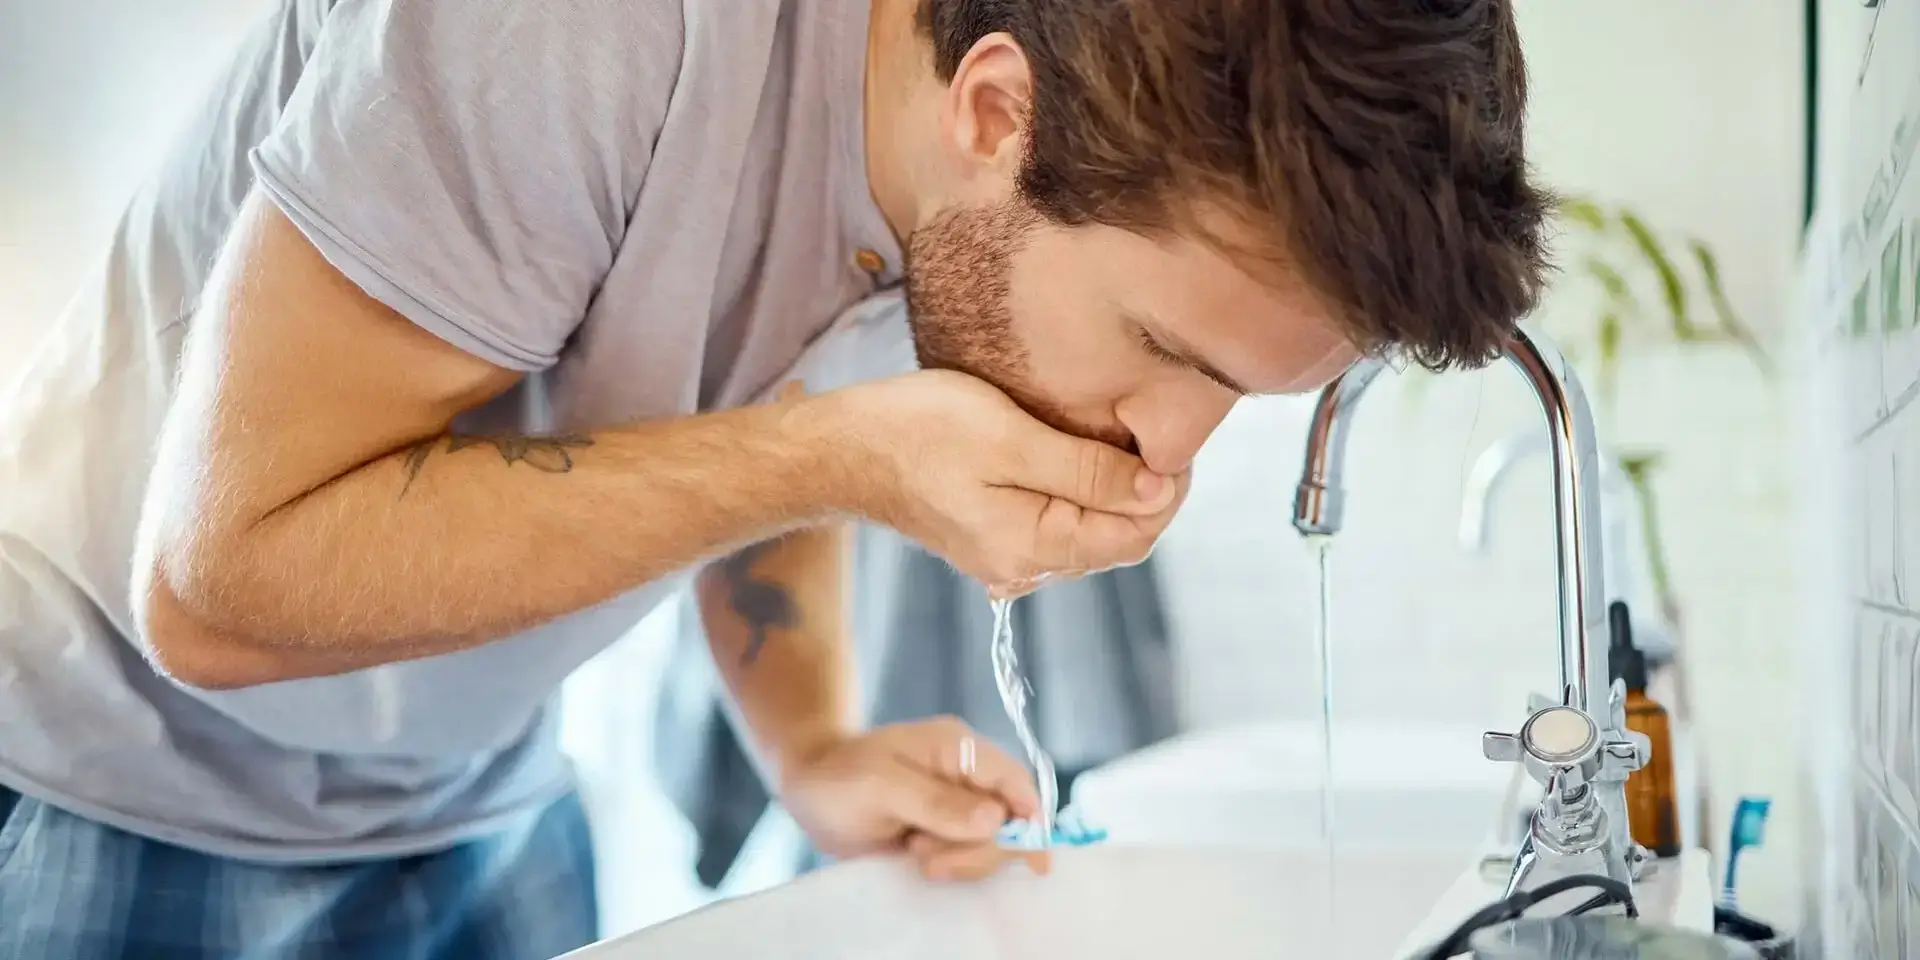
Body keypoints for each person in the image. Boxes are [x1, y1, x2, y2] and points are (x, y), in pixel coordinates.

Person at [0, 0, 1551, 956]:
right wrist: (842, 458)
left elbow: (758, 376)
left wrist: (809, 740)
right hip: (106, 788)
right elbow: (218, 585)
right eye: (1172, 353)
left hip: (482, 812)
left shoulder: (946, 172)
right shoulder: (582, 29)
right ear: (995, 112)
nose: (1171, 455)